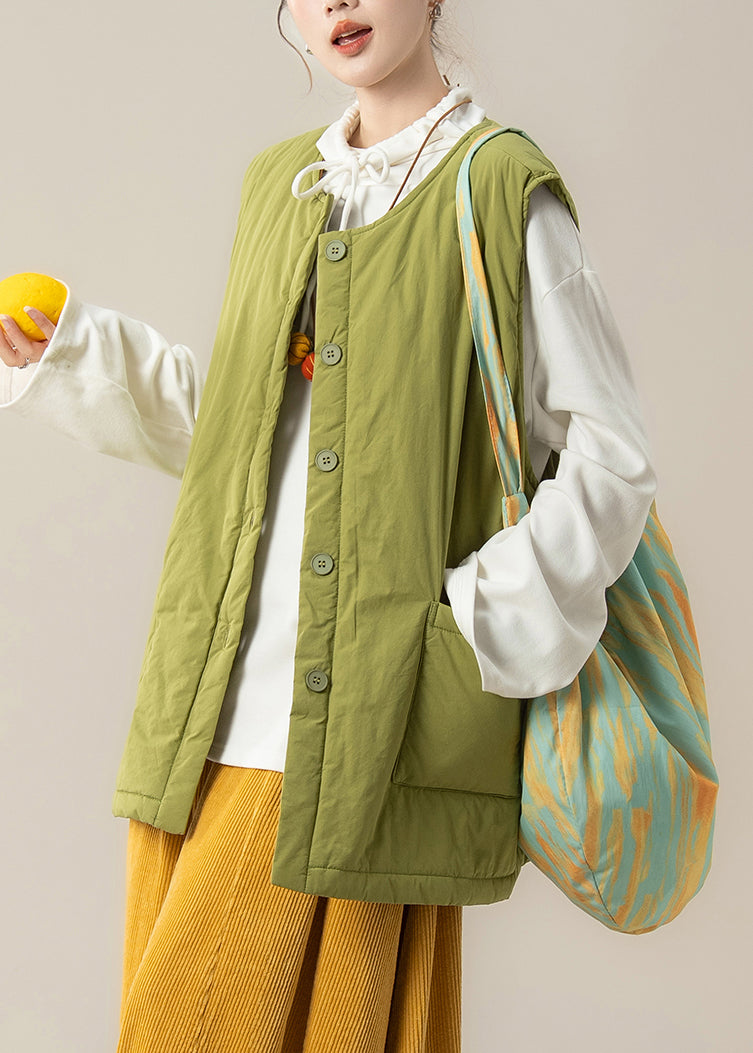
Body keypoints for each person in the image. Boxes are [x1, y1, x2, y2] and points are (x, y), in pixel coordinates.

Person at [0, 1, 658, 1049]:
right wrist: (75, 354)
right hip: (206, 707)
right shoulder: (283, 185)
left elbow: (609, 454)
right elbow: (243, 431)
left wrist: (475, 625)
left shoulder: (498, 189)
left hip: (369, 716)